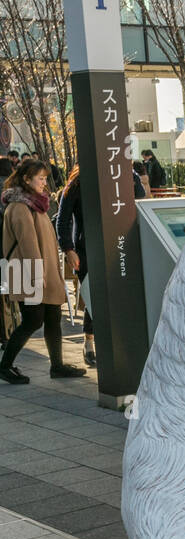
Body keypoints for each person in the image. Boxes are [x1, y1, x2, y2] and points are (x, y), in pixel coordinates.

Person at [1, 158, 85, 383]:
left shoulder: (35, 204)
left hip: (40, 272)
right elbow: (28, 244)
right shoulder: (20, 206)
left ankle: (57, 366)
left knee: (52, 318)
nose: (44, 183)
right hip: (29, 272)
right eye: (41, 178)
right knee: (33, 320)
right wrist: (38, 276)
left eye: (45, 178)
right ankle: (5, 365)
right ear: (27, 179)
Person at [56, 164, 96, 367]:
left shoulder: (113, 176)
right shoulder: (76, 185)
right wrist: (68, 249)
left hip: (114, 244)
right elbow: (62, 221)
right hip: (84, 248)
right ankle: (89, 341)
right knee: (93, 296)